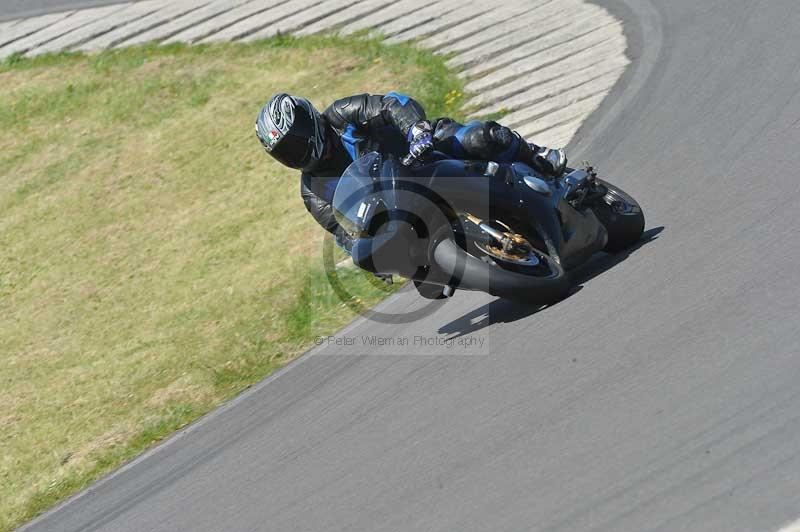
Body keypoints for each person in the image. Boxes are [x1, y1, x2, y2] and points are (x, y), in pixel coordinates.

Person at [254, 92, 567, 281]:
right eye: (284, 153)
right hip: (402, 208)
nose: (294, 155)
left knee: (479, 138)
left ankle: (538, 157)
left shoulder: (342, 115)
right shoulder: (313, 191)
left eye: (294, 144)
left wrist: (416, 131)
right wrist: (373, 259)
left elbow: (392, 104)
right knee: (424, 271)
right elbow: (343, 232)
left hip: (424, 154)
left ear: (309, 123)